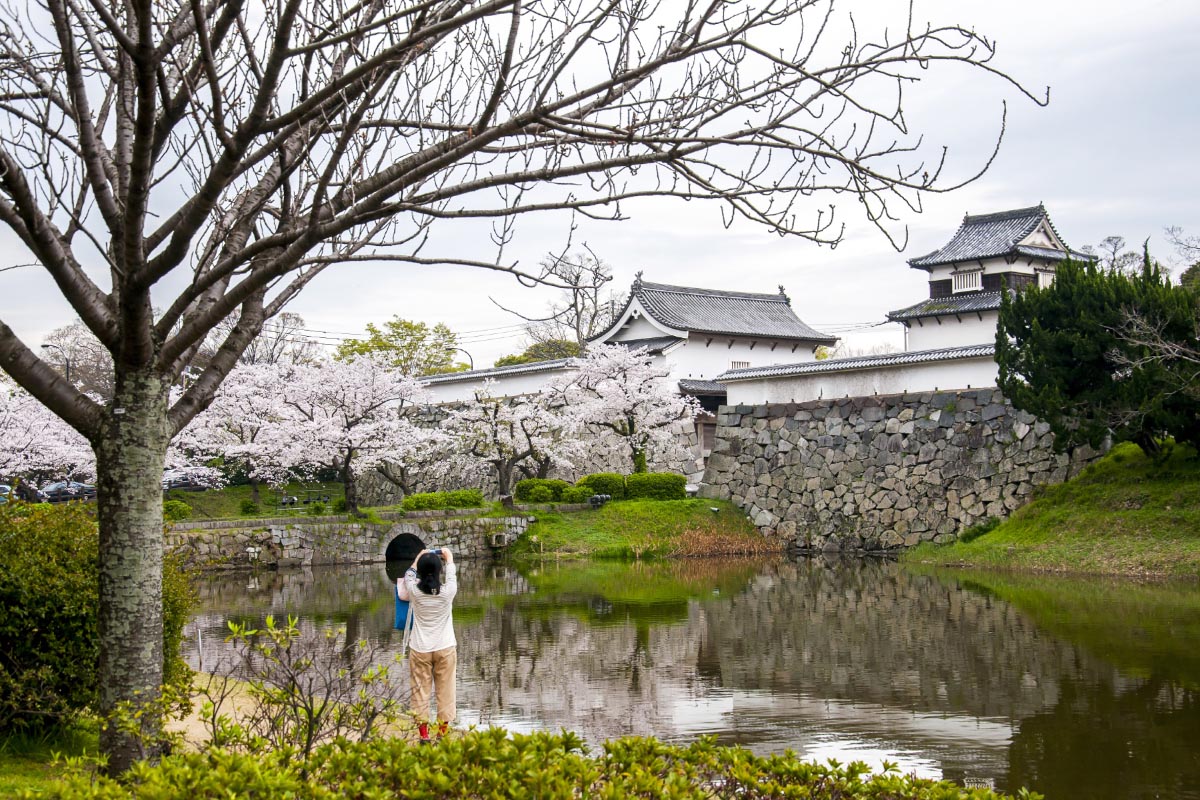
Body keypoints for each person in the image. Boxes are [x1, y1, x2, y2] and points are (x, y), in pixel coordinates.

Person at [397, 546, 457, 742]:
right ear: (439, 570)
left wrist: (418, 557)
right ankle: (441, 733)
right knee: (446, 690)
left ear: (421, 572)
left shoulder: (414, 591)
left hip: (420, 648)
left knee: (420, 691)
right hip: (445, 647)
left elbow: (409, 574)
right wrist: (448, 558)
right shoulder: (448, 592)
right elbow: (451, 571)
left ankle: (423, 735)